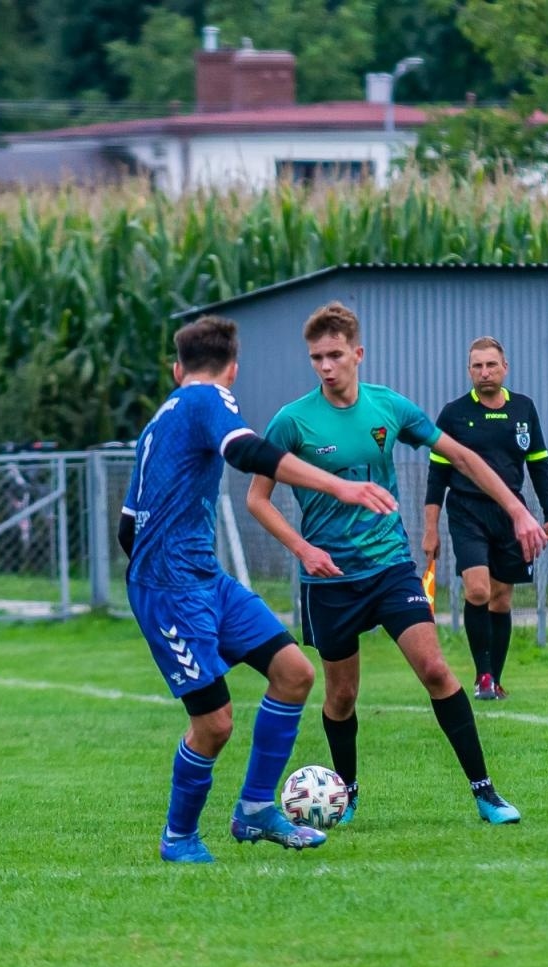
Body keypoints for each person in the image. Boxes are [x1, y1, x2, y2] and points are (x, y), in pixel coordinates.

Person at [246, 301, 544, 827]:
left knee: (435, 669)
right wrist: (303, 549)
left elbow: (462, 457)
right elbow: (258, 498)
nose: (325, 366)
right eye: (316, 357)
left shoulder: (388, 406)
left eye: (335, 355)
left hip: (389, 566)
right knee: (342, 695)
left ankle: (486, 792)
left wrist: (519, 510)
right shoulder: (291, 421)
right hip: (330, 579)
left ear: (358, 353)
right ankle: (347, 792)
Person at [120, 315, 399, 864]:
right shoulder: (208, 398)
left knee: (294, 673)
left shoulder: (159, 421)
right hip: (172, 589)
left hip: (203, 579)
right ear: (233, 370)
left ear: (176, 368)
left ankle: (254, 810)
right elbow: (246, 451)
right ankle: (179, 837)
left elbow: (128, 528)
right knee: (214, 723)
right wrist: (340, 485)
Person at [423, 336, 548, 700]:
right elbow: (437, 477)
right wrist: (430, 529)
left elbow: (539, 465)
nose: (484, 372)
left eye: (491, 365)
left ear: (505, 368)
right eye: (477, 366)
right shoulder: (454, 414)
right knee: (478, 590)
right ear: (469, 371)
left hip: (510, 514)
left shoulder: (523, 409)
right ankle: (482, 676)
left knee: (500, 599)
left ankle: (495, 679)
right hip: (466, 511)